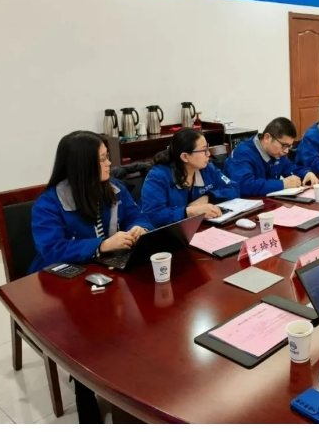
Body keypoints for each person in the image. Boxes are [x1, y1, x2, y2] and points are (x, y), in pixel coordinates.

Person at [30, 130, 154, 423]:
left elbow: (138, 215)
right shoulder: (49, 204)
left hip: (107, 272)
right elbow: (52, 250)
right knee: (84, 327)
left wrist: (139, 228)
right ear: (82, 166)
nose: (110, 163)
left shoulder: (114, 189)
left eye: (107, 157)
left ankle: (132, 376)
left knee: (145, 313)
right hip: (63, 283)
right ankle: (84, 385)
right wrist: (101, 245)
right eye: (102, 159)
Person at [140, 127, 239, 228]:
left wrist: (207, 197)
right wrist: (190, 211)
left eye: (207, 148)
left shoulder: (207, 168)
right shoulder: (158, 176)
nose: (208, 154)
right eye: (203, 150)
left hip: (201, 227)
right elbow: (153, 216)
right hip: (172, 233)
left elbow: (233, 187)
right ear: (185, 157)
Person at [225, 117, 319, 196]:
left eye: (289, 146)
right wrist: (282, 184)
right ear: (267, 138)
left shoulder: (277, 152)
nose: (286, 151)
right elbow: (244, 185)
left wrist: (306, 173)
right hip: (242, 204)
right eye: (284, 145)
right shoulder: (242, 153)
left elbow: (290, 167)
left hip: (267, 202)